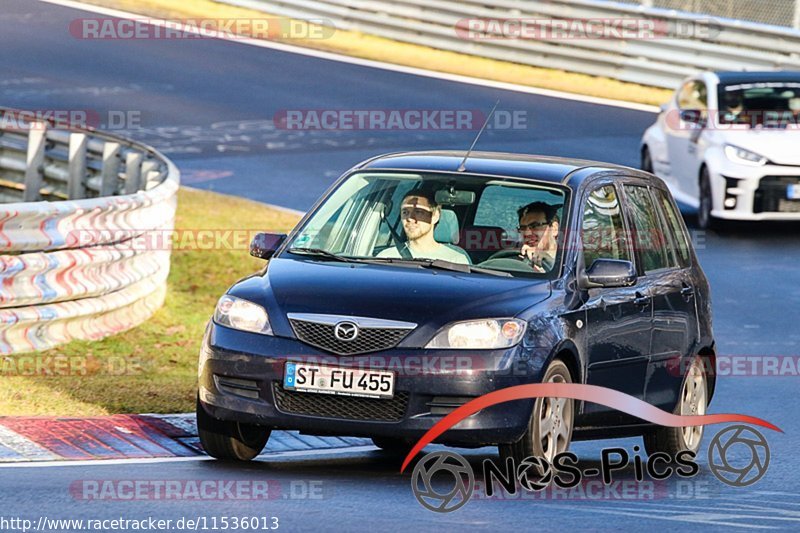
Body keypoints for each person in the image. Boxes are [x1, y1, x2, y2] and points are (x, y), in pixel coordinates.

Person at [377, 190, 471, 264]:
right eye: (405, 212)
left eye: (418, 212)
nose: (410, 218)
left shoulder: (455, 260)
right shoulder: (386, 258)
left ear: (435, 216)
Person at [516, 201, 560, 273]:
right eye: (522, 228)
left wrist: (549, 263)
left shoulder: (571, 262)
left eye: (535, 226)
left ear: (554, 229)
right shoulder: (515, 259)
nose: (527, 233)